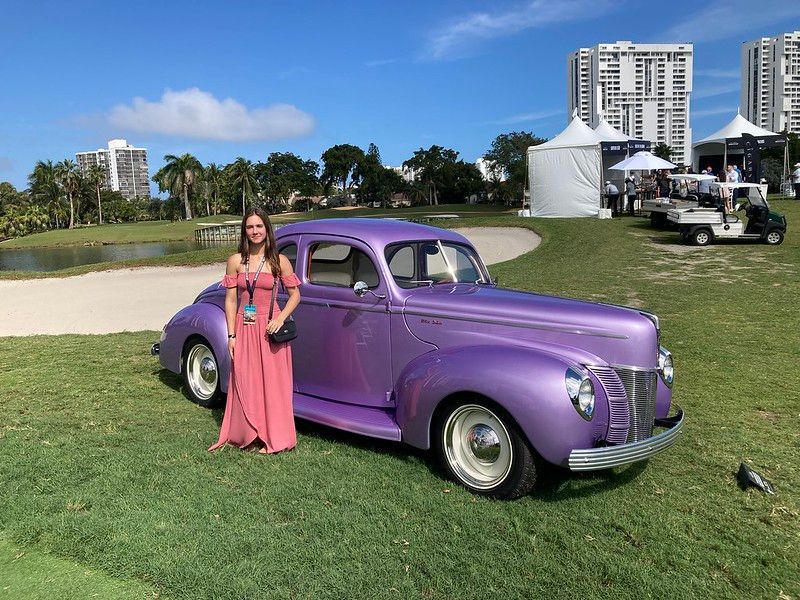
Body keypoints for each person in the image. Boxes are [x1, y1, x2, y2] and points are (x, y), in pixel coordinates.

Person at [209, 208, 301, 454]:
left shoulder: (279, 261)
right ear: (244, 231)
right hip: (244, 325)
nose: (255, 231)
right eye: (250, 227)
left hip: (270, 327)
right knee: (245, 378)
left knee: (273, 382)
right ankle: (247, 433)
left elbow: (295, 295)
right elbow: (230, 300)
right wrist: (231, 334)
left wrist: (280, 318)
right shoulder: (235, 261)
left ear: (267, 229)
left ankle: (275, 436)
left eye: (259, 226)